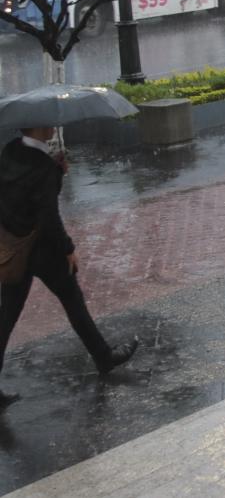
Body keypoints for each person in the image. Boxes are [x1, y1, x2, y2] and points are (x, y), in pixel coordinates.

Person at [0, 126, 138, 410]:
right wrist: (68, 248)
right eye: (47, 123)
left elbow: (21, 195)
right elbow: (49, 216)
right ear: (36, 127)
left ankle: (103, 356)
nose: (52, 127)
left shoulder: (11, 150)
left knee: (6, 317)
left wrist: (55, 174)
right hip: (45, 251)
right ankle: (104, 357)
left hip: (15, 250)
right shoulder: (44, 167)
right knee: (73, 301)